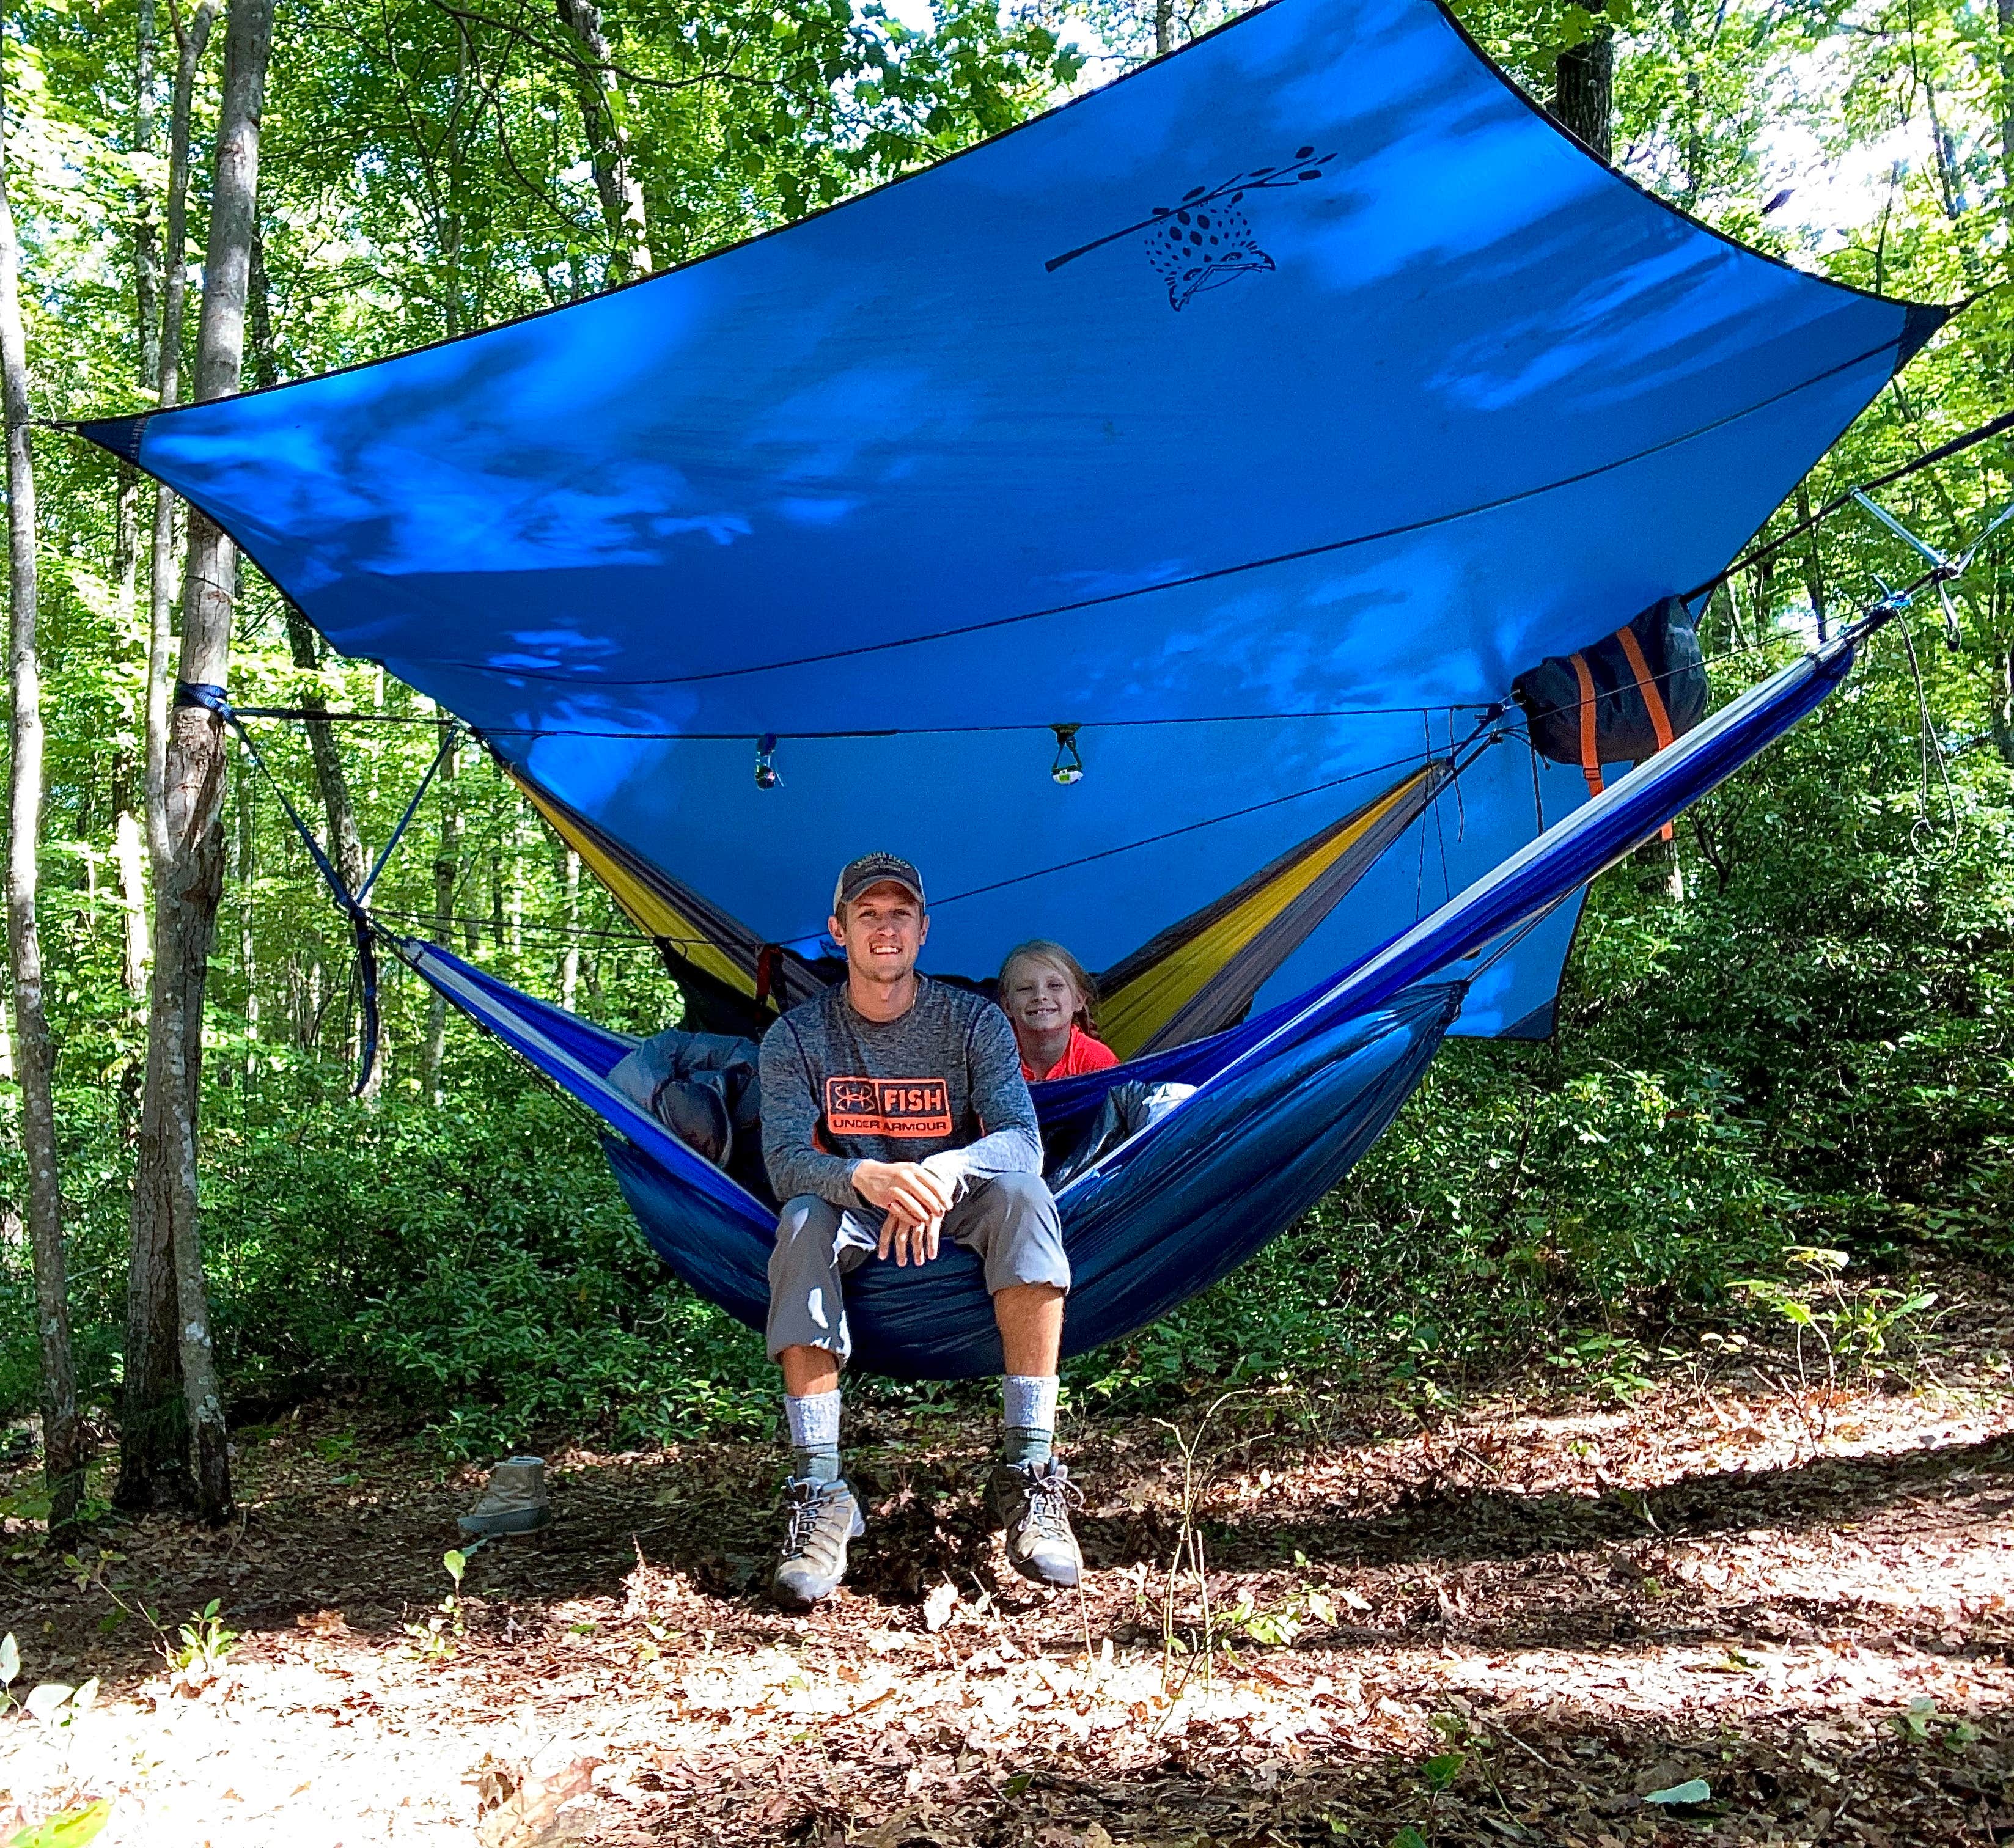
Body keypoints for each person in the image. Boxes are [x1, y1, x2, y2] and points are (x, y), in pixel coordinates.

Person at [759, 853, 1082, 1608]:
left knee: (1026, 1197)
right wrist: (863, 1178)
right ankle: (819, 1491)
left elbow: (1018, 1139)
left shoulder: (971, 1022)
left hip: (955, 1201)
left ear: (924, 931)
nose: (885, 927)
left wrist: (944, 1172)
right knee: (802, 1217)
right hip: (853, 1209)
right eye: (867, 914)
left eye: (899, 913)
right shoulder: (797, 1038)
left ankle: (1029, 1469)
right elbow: (781, 1159)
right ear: (838, 932)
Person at [998, 941, 1121, 1084]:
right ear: (1007, 1006)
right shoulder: (995, 1057)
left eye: (1055, 986)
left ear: (1078, 1000)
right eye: (1025, 988)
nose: (1040, 996)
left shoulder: (1096, 1062)